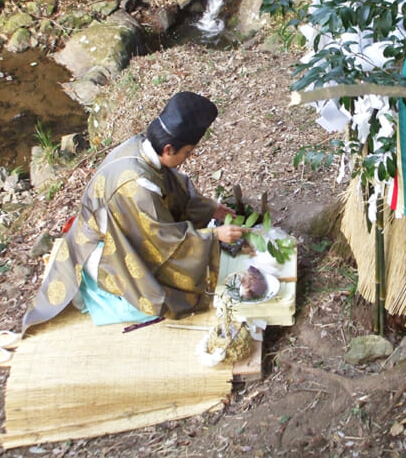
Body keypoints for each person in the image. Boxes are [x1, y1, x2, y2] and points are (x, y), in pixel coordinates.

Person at [22, 91, 246, 333]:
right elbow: (165, 244)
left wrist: (211, 207)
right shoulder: (136, 188)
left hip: (124, 232)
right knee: (174, 298)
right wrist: (213, 236)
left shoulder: (141, 146)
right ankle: (101, 293)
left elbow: (173, 191)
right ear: (169, 149)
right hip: (105, 251)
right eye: (187, 153)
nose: (187, 158)